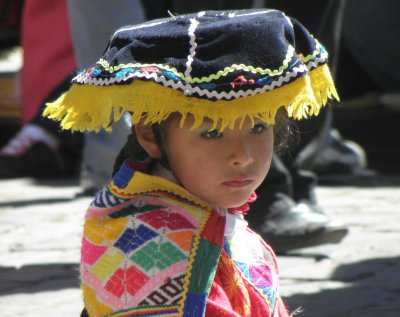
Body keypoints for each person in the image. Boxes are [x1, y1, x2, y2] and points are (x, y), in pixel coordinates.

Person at [44, 9, 338, 316]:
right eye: (212, 133)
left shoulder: (207, 217)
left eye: (258, 127)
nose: (243, 156)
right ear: (149, 135)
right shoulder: (158, 250)